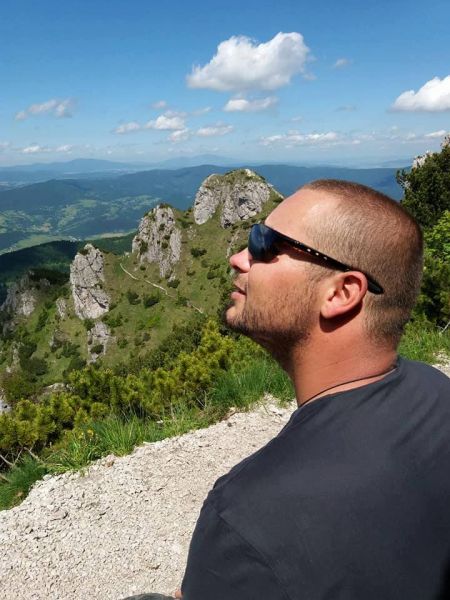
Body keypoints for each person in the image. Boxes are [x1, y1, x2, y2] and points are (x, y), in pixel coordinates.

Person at [177, 179, 450, 599]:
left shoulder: (245, 519)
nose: (239, 258)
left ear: (341, 293)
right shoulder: (435, 390)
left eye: (265, 244)